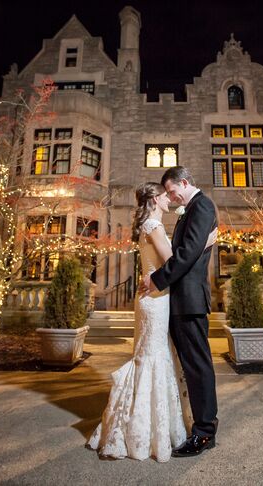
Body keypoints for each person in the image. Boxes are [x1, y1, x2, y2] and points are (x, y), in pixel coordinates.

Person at [87, 182, 217, 462]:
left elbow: (173, 261)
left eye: (171, 193)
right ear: (156, 199)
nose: (170, 199)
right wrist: (204, 242)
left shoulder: (151, 223)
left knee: (154, 357)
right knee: (152, 358)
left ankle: (153, 422)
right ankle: (144, 427)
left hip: (157, 298)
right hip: (156, 300)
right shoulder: (153, 226)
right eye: (166, 195)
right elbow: (175, 261)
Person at [140, 166, 219, 457]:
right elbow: (187, 250)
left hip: (190, 300)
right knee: (190, 366)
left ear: (184, 183)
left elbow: (185, 255)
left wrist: (157, 279)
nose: (171, 199)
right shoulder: (193, 208)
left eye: (172, 191)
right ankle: (200, 424)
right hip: (181, 299)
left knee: (197, 366)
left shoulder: (202, 205)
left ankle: (204, 432)